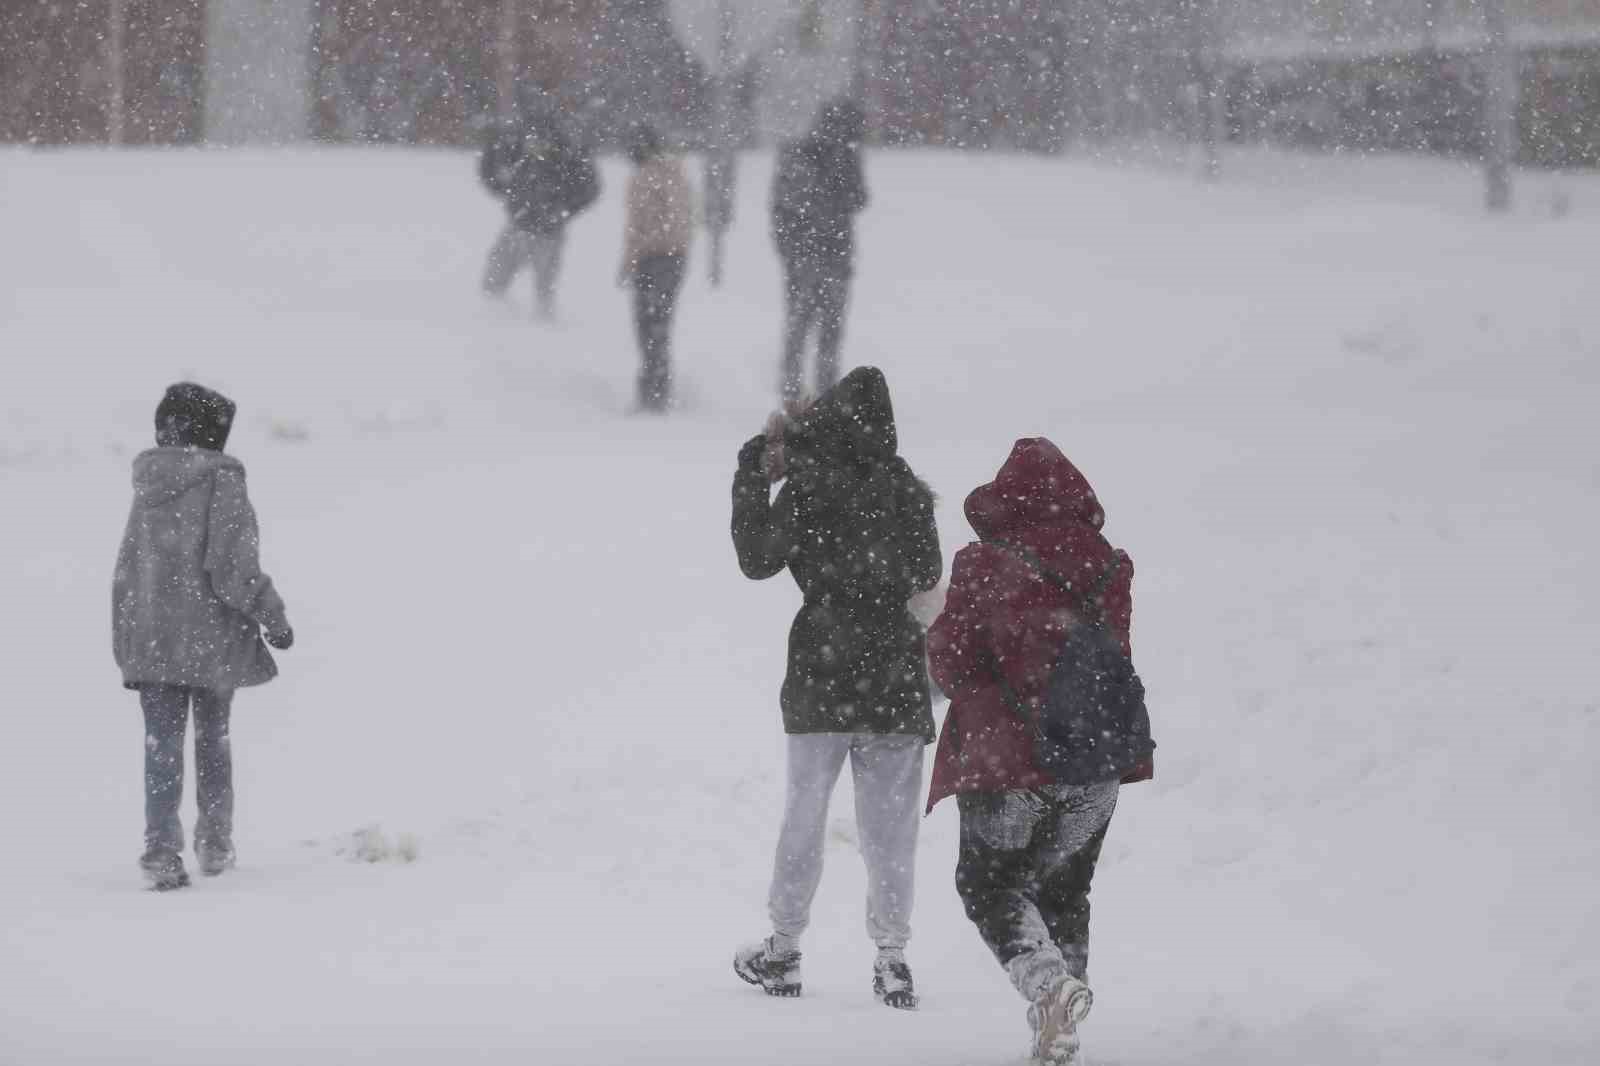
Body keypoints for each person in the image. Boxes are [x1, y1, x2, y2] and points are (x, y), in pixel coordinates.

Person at [925, 439, 1154, 1065]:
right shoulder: (1109, 564)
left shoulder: (986, 561)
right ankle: (1061, 1028)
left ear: (1006, 499)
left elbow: (950, 660)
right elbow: (1112, 655)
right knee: (1065, 892)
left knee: (987, 886)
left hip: (1009, 762)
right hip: (1096, 759)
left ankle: (1050, 989)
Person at [730, 366, 941, 1010]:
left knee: (803, 813)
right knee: (891, 829)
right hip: (894, 679)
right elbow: (927, 570)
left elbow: (756, 559)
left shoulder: (807, 488)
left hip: (821, 673)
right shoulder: (904, 489)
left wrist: (751, 472)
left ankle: (785, 948)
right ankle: (893, 959)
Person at [112, 383, 294, 891]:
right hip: (210, 641)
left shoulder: (148, 484)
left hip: (152, 638)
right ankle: (214, 842)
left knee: (161, 744)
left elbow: (127, 571)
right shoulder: (221, 481)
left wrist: (127, 641)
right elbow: (232, 567)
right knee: (213, 739)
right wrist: (273, 617)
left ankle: (161, 850)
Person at [771, 99, 869, 404]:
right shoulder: (840, 156)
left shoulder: (798, 154)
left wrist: (787, 247)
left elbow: (780, 207)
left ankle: (794, 392)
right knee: (828, 328)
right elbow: (859, 199)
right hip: (830, 254)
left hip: (807, 255)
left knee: (801, 326)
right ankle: (821, 395)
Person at [480, 114, 601, 319]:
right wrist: (507, 193)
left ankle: (543, 332)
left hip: (549, 233)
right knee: (493, 283)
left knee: (544, 292)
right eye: (531, 140)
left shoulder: (568, 156)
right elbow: (492, 172)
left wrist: (564, 210)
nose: (534, 144)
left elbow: (590, 188)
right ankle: (494, 321)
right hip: (518, 226)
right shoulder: (519, 153)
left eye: (539, 140)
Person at [618, 124, 693, 412]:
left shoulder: (658, 175)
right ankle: (653, 388)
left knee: (652, 326)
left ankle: (654, 393)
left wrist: (638, 252)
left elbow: (662, 224)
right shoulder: (666, 172)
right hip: (662, 259)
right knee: (652, 326)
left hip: (660, 259)